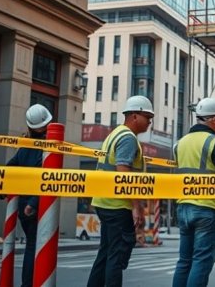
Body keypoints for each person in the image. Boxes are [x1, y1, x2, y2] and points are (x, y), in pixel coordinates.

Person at [172, 97, 215, 287]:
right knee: (201, 261)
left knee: (184, 261)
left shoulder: (180, 143)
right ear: (212, 119)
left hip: (184, 207)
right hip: (207, 208)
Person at [87, 95, 154, 287]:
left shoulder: (115, 133)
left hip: (104, 202)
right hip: (116, 205)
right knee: (117, 254)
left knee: (106, 253)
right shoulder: (127, 138)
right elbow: (123, 172)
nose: (149, 121)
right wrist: (137, 206)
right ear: (134, 116)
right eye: (147, 116)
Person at [4, 104, 52, 287]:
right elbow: (43, 176)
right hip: (35, 205)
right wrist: (33, 203)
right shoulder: (44, 148)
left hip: (25, 205)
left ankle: (29, 283)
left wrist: (2, 188)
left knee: (32, 246)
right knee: (34, 247)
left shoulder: (25, 146)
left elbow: (11, 166)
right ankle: (31, 283)